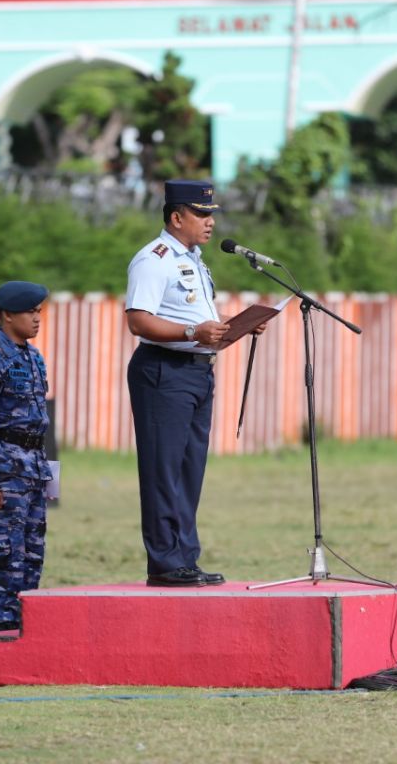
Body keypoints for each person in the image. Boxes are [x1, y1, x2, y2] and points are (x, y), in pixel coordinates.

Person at [124, 179, 263, 587]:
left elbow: (196, 320)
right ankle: (165, 562)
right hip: (163, 370)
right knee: (163, 468)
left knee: (189, 469)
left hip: (197, 371)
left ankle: (185, 556)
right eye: (202, 214)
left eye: (212, 214)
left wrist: (233, 329)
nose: (210, 222)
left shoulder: (195, 260)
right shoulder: (155, 259)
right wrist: (191, 335)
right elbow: (139, 320)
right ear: (176, 216)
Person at [0, 282, 53, 633]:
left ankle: (25, 632)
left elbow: (38, 422)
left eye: (38, 312)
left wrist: (48, 474)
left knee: (32, 552)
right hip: (4, 470)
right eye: (30, 312)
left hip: (33, 468)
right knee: (4, 554)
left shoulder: (33, 358)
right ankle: (1, 631)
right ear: (6, 316)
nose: (37, 319)